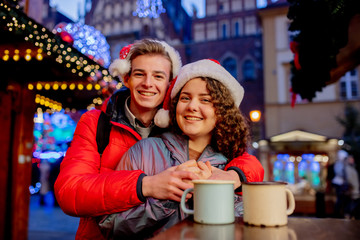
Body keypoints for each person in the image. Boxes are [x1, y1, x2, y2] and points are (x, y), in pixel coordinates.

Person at [54, 39, 264, 239]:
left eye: (158, 76)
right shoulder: (98, 123)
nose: (148, 83)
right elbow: (69, 191)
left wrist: (235, 175)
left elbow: (245, 161)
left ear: (169, 84)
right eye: (139, 74)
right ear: (126, 78)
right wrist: (147, 185)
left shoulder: (183, 126)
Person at [99, 59, 252, 239]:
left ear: (223, 112)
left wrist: (210, 195)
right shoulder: (143, 151)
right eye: (185, 98)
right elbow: (109, 224)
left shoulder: (232, 162)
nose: (192, 106)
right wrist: (168, 197)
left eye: (205, 100)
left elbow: (249, 220)